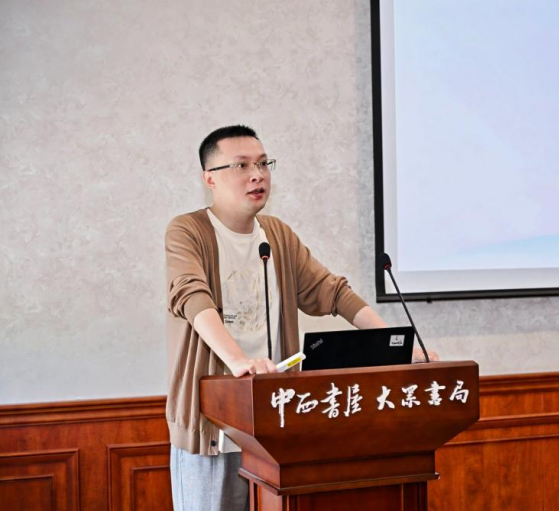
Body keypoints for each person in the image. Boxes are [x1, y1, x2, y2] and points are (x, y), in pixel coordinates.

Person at [165, 125, 438, 511]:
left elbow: (334, 292)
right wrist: (239, 362)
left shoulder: (277, 235)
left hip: (275, 423)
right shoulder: (188, 231)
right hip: (215, 426)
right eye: (242, 165)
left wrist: (398, 348)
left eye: (263, 164)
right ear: (210, 178)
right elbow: (192, 297)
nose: (257, 175)